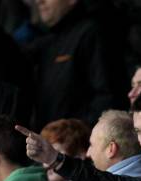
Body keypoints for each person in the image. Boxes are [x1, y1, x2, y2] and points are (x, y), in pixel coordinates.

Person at [33, 0, 114, 128]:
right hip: (51, 142)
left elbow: (106, 94)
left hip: (78, 143)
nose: (39, 1)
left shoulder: (92, 32)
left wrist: (79, 136)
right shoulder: (49, 41)